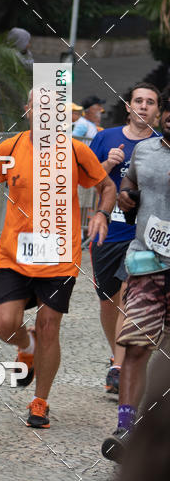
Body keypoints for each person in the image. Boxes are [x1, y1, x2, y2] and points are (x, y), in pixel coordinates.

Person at [0, 90, 115, 429]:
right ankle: (25, 343)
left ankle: (40, 401)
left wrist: (102, 214)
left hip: (60, 256)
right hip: (14, 253)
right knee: (5, 324)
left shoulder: (76, 151)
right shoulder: (10, 148)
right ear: (28, 110)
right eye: (38, 106)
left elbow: (105, 186)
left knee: (50, 325)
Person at [102, 93, 170, 462]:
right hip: (147, 264)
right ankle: (125, 428)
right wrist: (127, 195)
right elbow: (129, 183)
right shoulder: (145, 152)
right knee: (136, 347)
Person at [89, 83, 161, 394]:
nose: (143, 106)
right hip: (107, 231)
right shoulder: (106, 138)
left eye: (150, 102)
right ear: (129, 106)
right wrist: (109, 164)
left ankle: (119, 367)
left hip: (142, 235)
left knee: (129, 297)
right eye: (138, 101)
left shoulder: (162, 143)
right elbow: (86, 183)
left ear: (157, 112)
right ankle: (115, 354)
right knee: (108, 302)